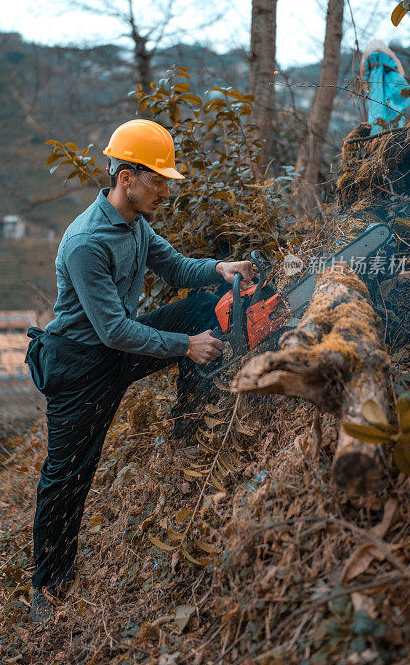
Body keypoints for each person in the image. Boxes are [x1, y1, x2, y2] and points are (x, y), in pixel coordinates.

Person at [25, 118, 253, 622]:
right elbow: (112, 330)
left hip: (115, 348)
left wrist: (219, 270)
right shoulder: (87, 243)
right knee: (67, 477)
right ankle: (49, 588)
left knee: (200, 308)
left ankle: (192, 429)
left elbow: (173, 268)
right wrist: (183, 346)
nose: (164, 190)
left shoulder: (136, 225)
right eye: (157, 180)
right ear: (126, 177)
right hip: (80, 365)